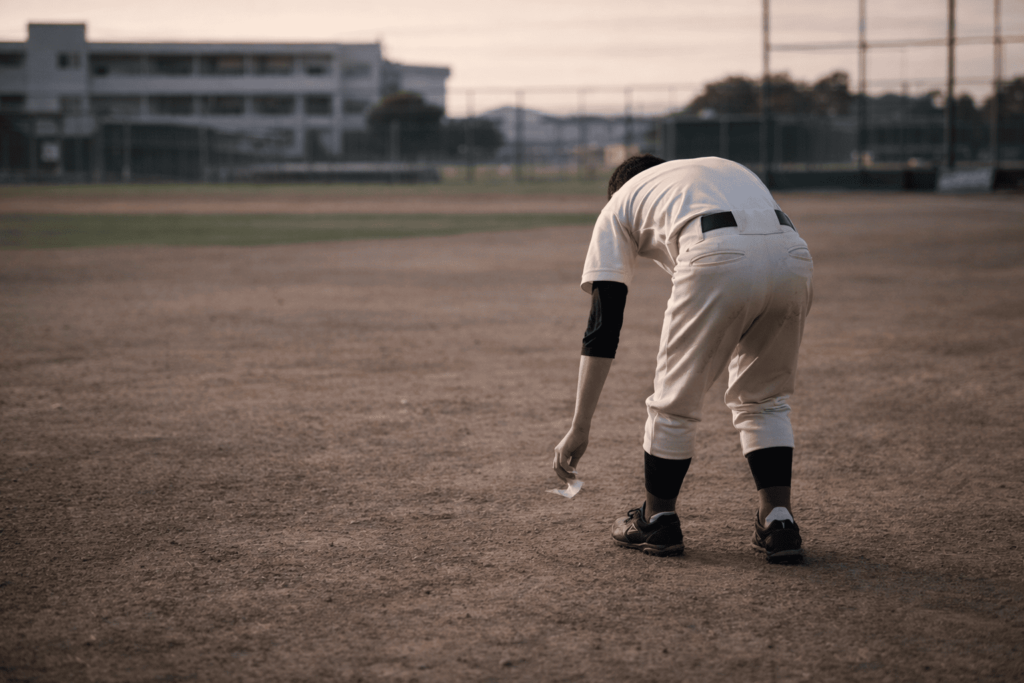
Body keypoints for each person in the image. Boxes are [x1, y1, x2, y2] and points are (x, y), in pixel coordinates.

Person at [552, 154, 813, 564]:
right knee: (764, 399)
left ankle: (657, 518)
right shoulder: (713, 172)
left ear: (618, 189)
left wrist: (579, 427)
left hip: (715, 257)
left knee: (674, 404)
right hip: (794, 256)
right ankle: (779, 522)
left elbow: (604, 324)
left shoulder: (619, 203)